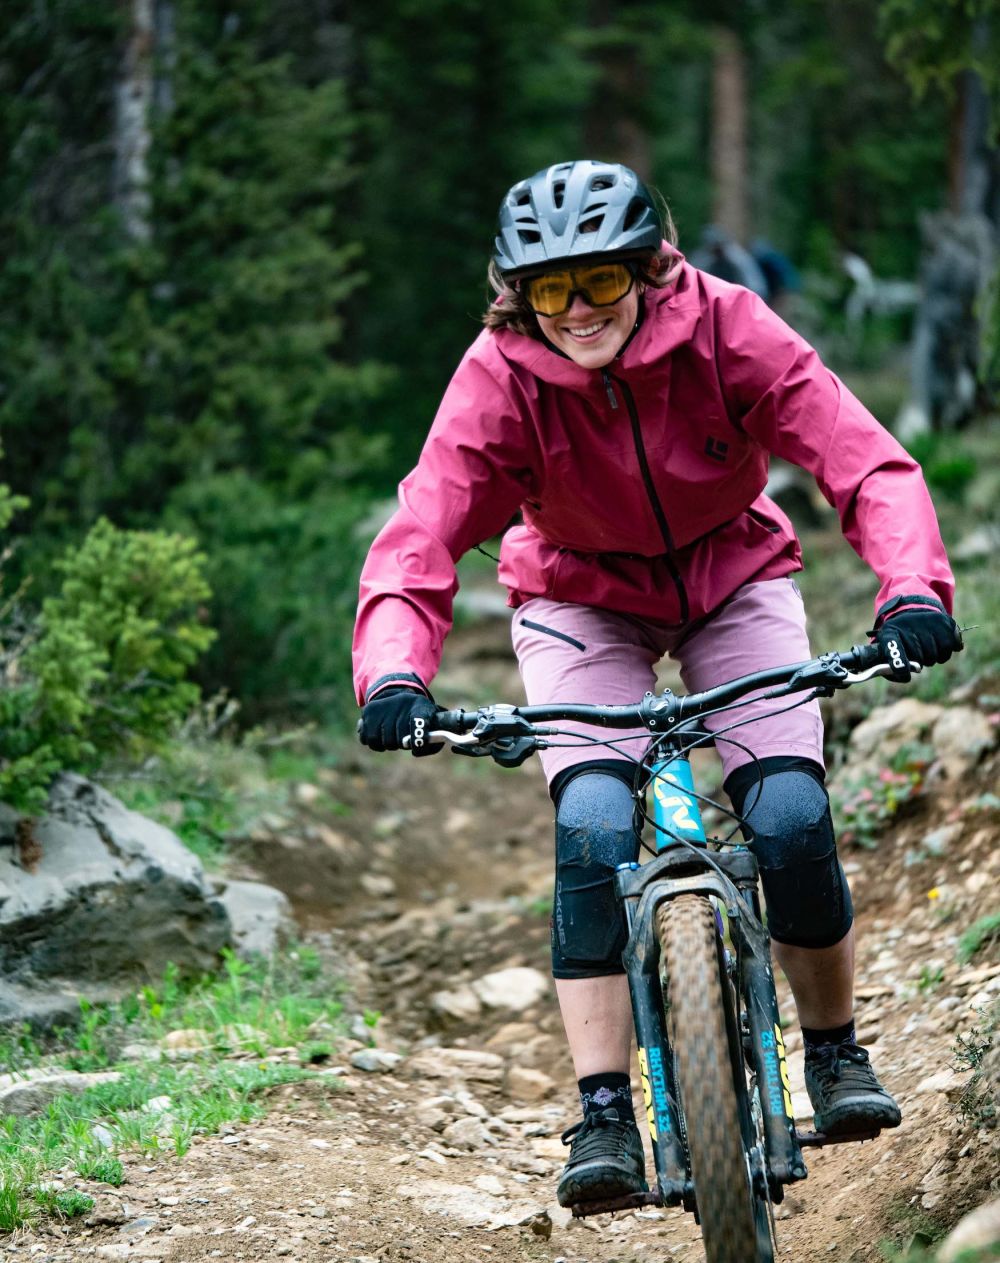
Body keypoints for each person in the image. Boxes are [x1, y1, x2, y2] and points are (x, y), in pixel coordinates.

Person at [353, 160, 961, 1208]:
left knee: (789, 811)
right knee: (591, 824)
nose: (578, 309)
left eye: (598, 280)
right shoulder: (497, 377)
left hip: (733, 574)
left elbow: (864, 464)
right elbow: (421, 532)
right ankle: (603, 1114)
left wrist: (910, 592)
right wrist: (395, 672)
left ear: (644, 269)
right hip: (577, 597)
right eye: (551, 289)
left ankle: (833, 1051)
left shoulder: (728, 326)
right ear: (518, 295)